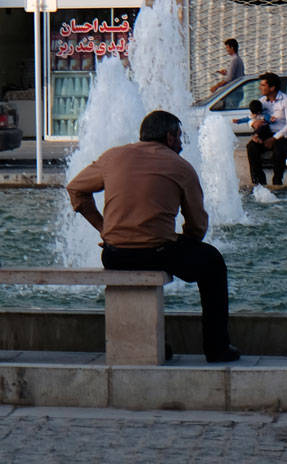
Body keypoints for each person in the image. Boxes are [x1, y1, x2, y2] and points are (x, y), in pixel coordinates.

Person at [67, 109, 240, 363]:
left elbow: (76, 189)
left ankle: (152, 343)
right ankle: (216, 348)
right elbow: (198, 225)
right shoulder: (181, 167)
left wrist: (104, 229)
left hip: (115, 255)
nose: (182, 143)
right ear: (169, 137)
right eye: (179, 137)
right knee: (212, 263)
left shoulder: (112, 156)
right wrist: (185, 241)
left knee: (137, 263)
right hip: (158, 253)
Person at [246, 71, 287, 187]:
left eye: (263, 85)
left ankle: (277, 181)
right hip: (265, 133)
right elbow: (250, 117)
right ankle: (258, 181)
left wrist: (274, 139)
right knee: (251, 147)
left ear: (272, 87)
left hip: (283, 135)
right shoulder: (262, 101)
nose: (260, 88)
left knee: (279, 151)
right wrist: (253, 123)